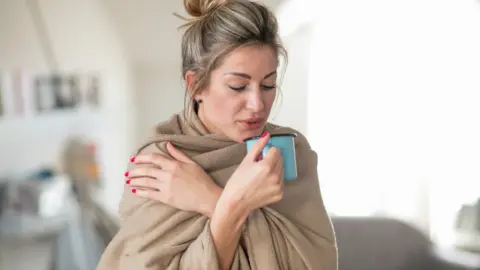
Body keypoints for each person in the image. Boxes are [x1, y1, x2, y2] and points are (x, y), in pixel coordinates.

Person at [96, 0, 337, 269]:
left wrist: (214, 200)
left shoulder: (290, 152)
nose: (257, 104)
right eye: (238, 86)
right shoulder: (160, 163)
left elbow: (318, 264)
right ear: (196, 85)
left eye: (268, 84)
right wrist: (233, 208)